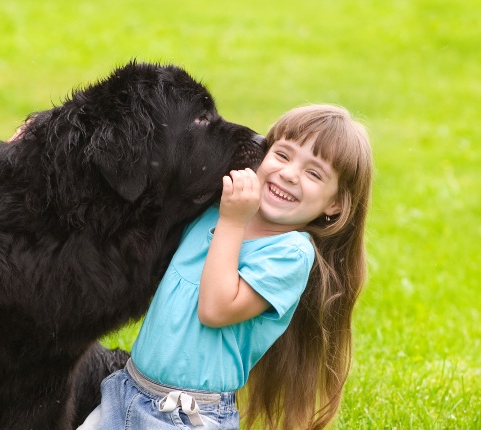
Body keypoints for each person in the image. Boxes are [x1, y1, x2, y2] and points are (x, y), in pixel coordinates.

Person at [78, 104, 373, 430]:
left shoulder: (290, 254)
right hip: (125, 392)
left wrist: (233, 222)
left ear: (335, 205)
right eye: (283, 155)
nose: (289, 174)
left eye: (314, 173)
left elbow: (216, 309)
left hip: (184, 416)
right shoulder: (217, 205)